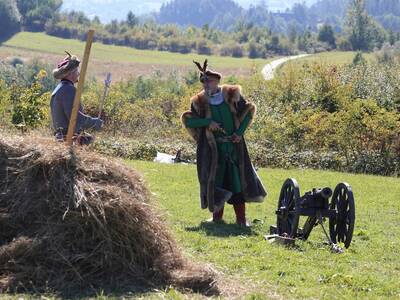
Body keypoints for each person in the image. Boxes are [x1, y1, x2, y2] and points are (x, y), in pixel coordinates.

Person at [181, 60, 267, 226]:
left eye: (210, 81)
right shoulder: (198, 101)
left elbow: (249, 111)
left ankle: (241, 220)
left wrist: (239, 134)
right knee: (215, 181)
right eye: (204, 82)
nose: (207, 85)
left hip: (234, 147)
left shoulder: (231, 94)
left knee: (237, 181)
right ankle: (216, 218)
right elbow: (189, 122)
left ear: (217, 81)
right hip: (212, 150)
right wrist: (207, 123)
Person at [50, 51, 103, 145]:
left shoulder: (60, 88)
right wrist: (94, 122)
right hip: (69, 139)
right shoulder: (68, 89)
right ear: (70, 73)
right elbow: (75, 117)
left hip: (62, 138)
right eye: (76, 71)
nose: (78, 74)